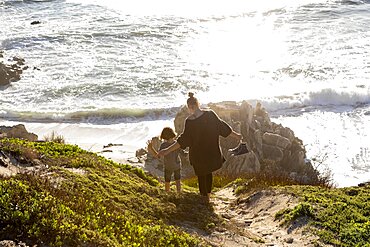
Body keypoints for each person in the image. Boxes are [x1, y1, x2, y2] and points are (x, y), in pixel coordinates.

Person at [158, 92, 242, 201]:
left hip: (198, 156)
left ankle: (205, 198)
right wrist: (236, 135)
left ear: (189, 107)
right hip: (212, 153)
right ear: (198, 104)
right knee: (208, 173)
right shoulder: (211, 114)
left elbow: (182, 141)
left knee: (202, 176)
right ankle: (207, 196)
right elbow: (223, 127)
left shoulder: (189, 122)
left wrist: (166, 150)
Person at [147, 127, 182, 193]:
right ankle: (179, 193)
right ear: (172, 134)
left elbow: (158, 156)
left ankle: (167, 193)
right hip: (177, 165)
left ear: (164, 136)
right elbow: (184, 153)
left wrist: (151, 148)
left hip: (168, 166)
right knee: (178, 181)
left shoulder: (163, 145)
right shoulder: (177, 144)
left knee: (167, 181)